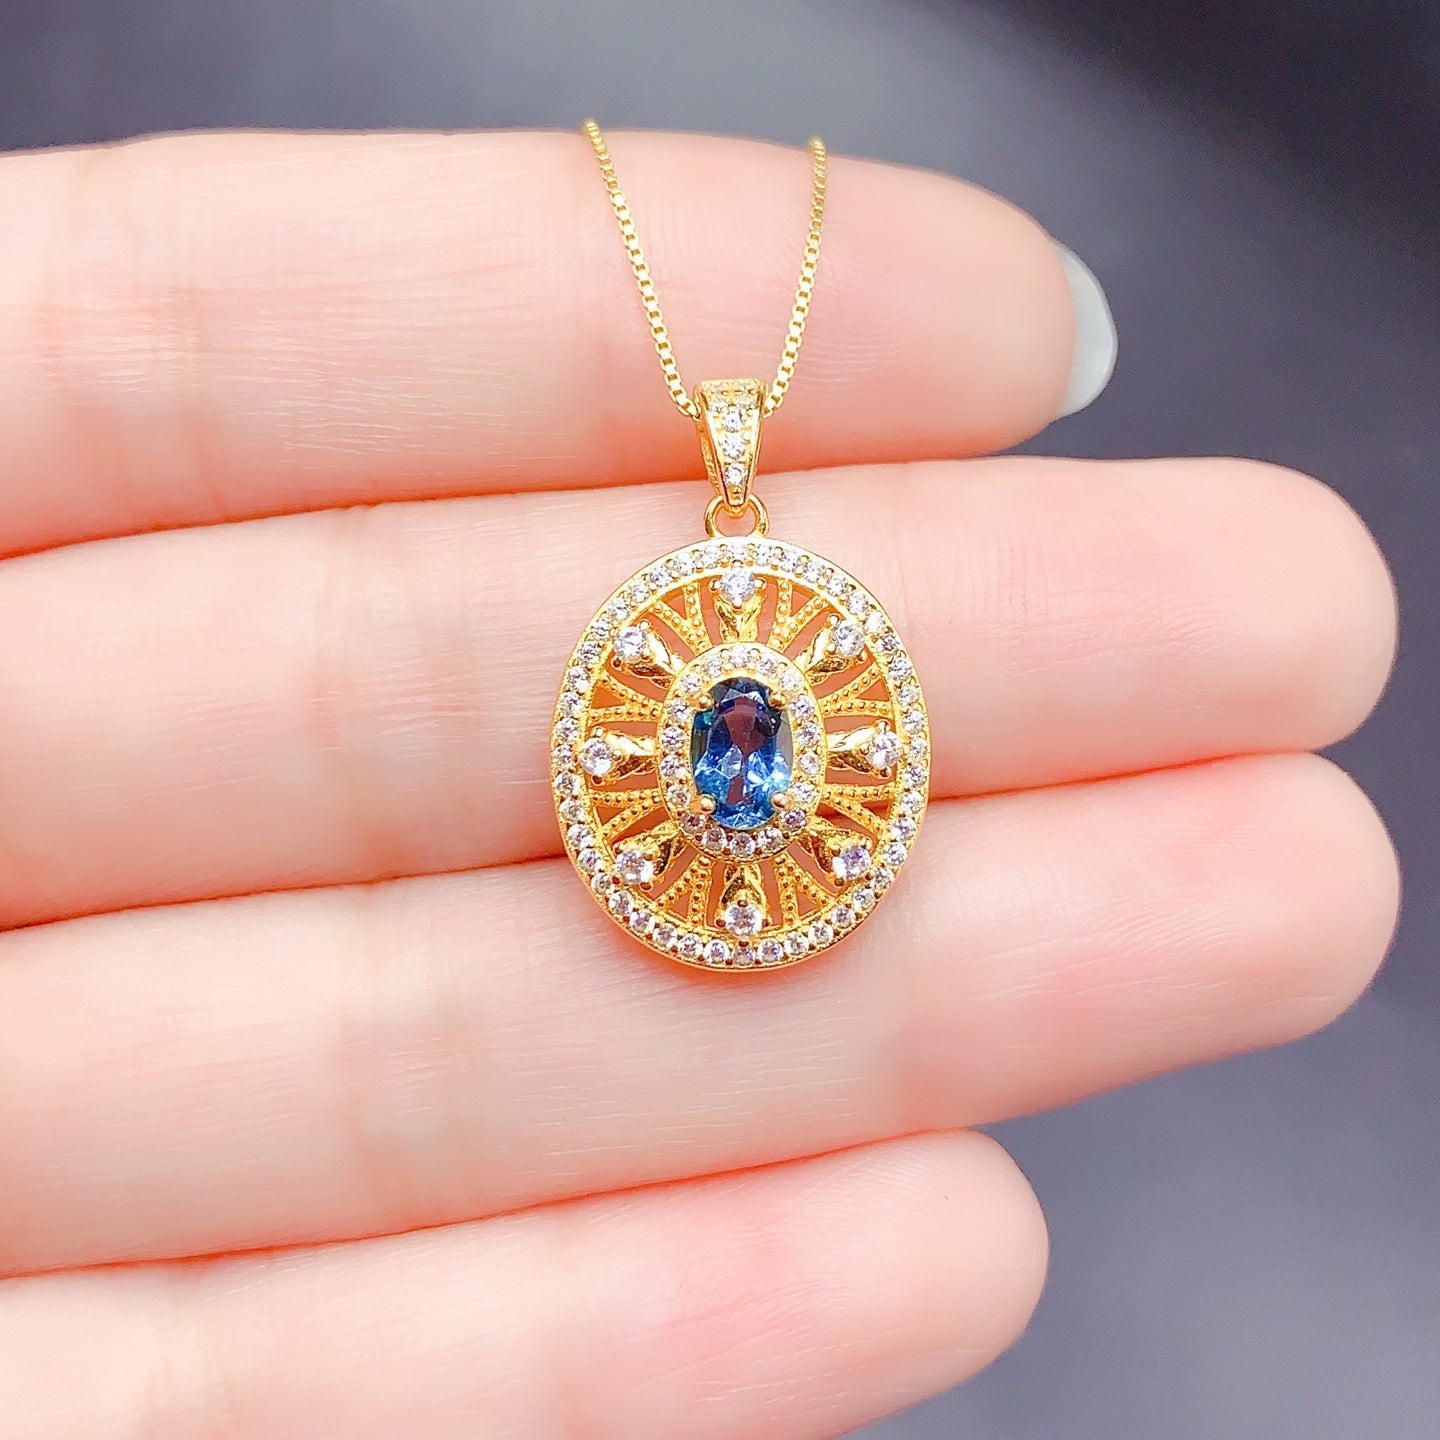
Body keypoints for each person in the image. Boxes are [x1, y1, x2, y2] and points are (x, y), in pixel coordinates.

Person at [0, 127, 1397, 1437]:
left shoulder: (780, 721)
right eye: (733, 739)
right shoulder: (700, 728)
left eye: (742, 739)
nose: (738, 743)